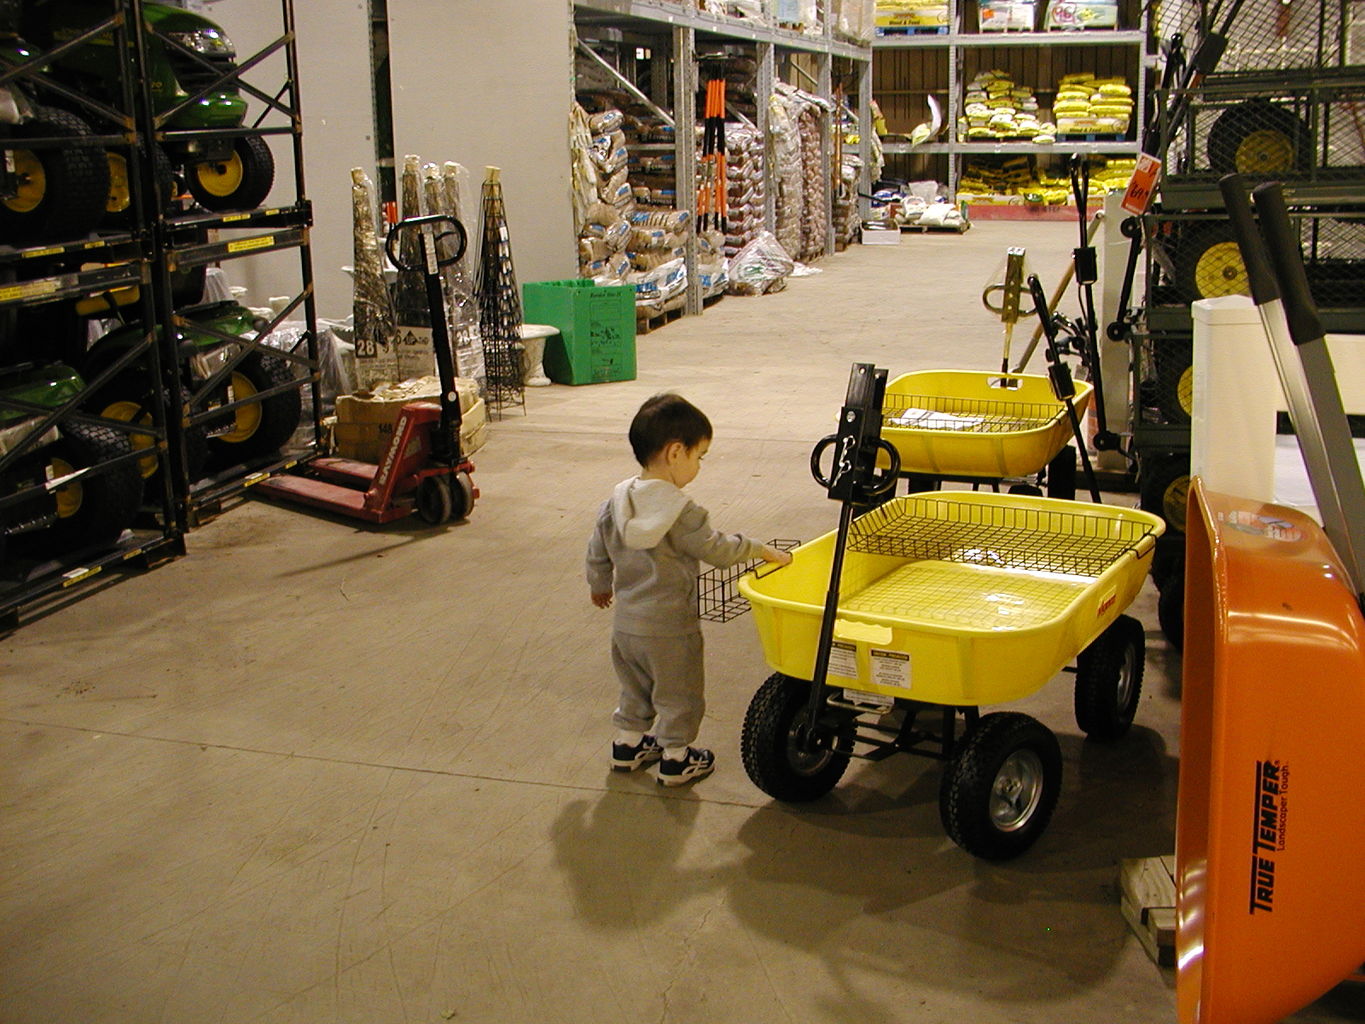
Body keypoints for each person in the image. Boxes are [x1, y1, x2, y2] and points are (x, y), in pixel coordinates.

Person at [586, 393, 793, 787]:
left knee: (635, 686)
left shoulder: (616, 503)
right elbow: (715, 548)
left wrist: (599, 586)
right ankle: (677, 758)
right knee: (679, 693)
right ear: (676, 453)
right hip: (670, 628)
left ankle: (628, 746)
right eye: (700, 456)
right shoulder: (680, 512)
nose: (699, 466)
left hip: (626, 626)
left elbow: (596, 553)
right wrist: (758, 549)